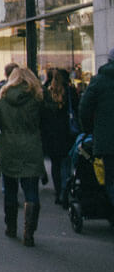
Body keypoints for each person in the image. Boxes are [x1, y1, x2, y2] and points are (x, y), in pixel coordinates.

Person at [0, 66, 47, 246]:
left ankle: (11, 227)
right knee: (31, 192)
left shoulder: (3, 96)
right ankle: (29, 232)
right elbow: (46, 122)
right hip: (31, 146)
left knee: (10, 190)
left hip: (9, 146)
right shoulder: (37, 97)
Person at [78, 50, 114, 209]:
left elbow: (84, 109)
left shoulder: (99, 81)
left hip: (108, 141)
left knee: (111, 180)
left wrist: (89, 129)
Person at [42, 67, 79, 205]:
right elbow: (76, 109)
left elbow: (42, 114)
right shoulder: (69, 91)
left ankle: (58, 192)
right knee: (66, 164)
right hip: (66, 133)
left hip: (50, 134)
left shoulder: (46, 91)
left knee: (55, 165)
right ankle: (65, 190)